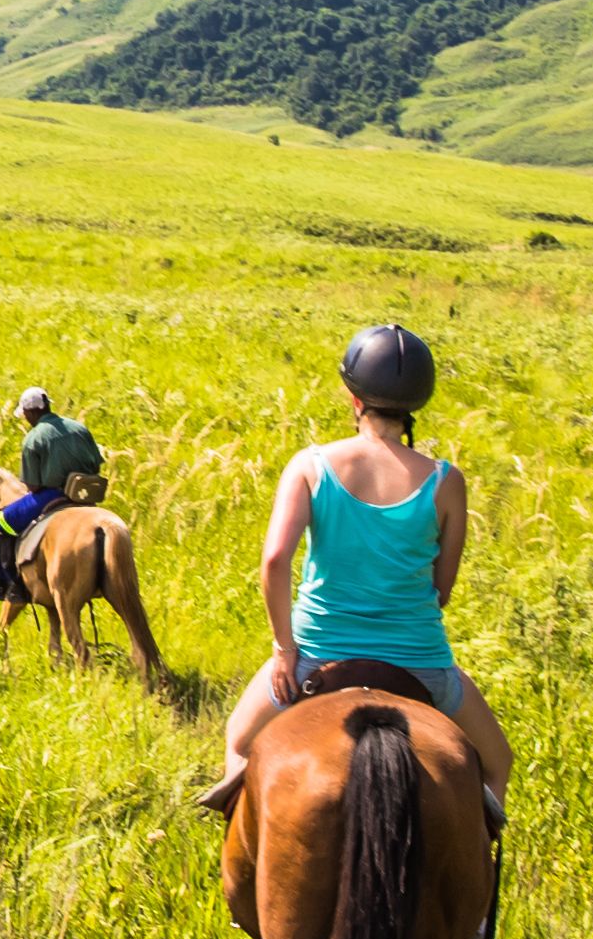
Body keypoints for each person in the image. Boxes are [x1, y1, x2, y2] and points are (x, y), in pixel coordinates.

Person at [194, 323, 513, 823]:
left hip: (317, 656)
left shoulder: (311, 465)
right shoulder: (447, 482)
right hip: (422, 664)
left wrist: (284, 650)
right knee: (497, 764)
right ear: (417, 403)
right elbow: (441, 590)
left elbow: (276, 560)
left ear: (352, 395)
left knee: (237, 738)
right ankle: (478, 875)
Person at [0, 383, 102, 603]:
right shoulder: (79, 428)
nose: (26, 419)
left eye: (25, 414)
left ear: (32, 412)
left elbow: (32, 486)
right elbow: (97, 464)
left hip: (53, 495)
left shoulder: (34, 439)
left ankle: (11, 587)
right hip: (85, 493)